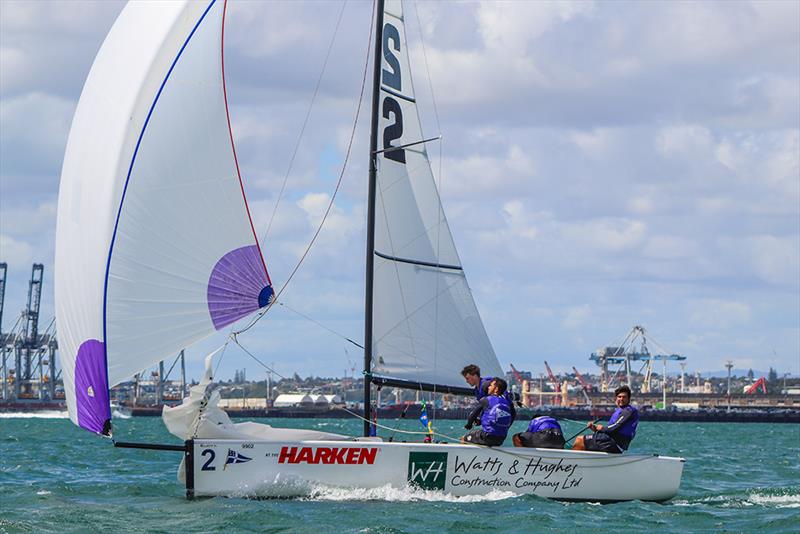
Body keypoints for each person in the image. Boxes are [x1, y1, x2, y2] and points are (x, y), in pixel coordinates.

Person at [572, 385, 638, 453]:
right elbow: (611, 431)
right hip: (611, 442)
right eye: (619, 397)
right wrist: (595, 428)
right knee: (585, 444)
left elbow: (615, 427)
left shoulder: (628, 411)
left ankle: (569, 462)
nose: (621, 399)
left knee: (580, 440)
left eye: (624, 397)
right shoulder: (621, 410)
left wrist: (601, 428)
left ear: (629, 399)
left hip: (613, 443)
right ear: (616, 398)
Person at [461, 378, 515, 447]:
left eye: (491, 385)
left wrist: (469, 424)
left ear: (496, 389)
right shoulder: (507, 403)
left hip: (486, 437)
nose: (488, 387)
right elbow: (510, 416)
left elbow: (473, 415)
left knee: (464, 438)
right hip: (501, 439)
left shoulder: (485, 400)